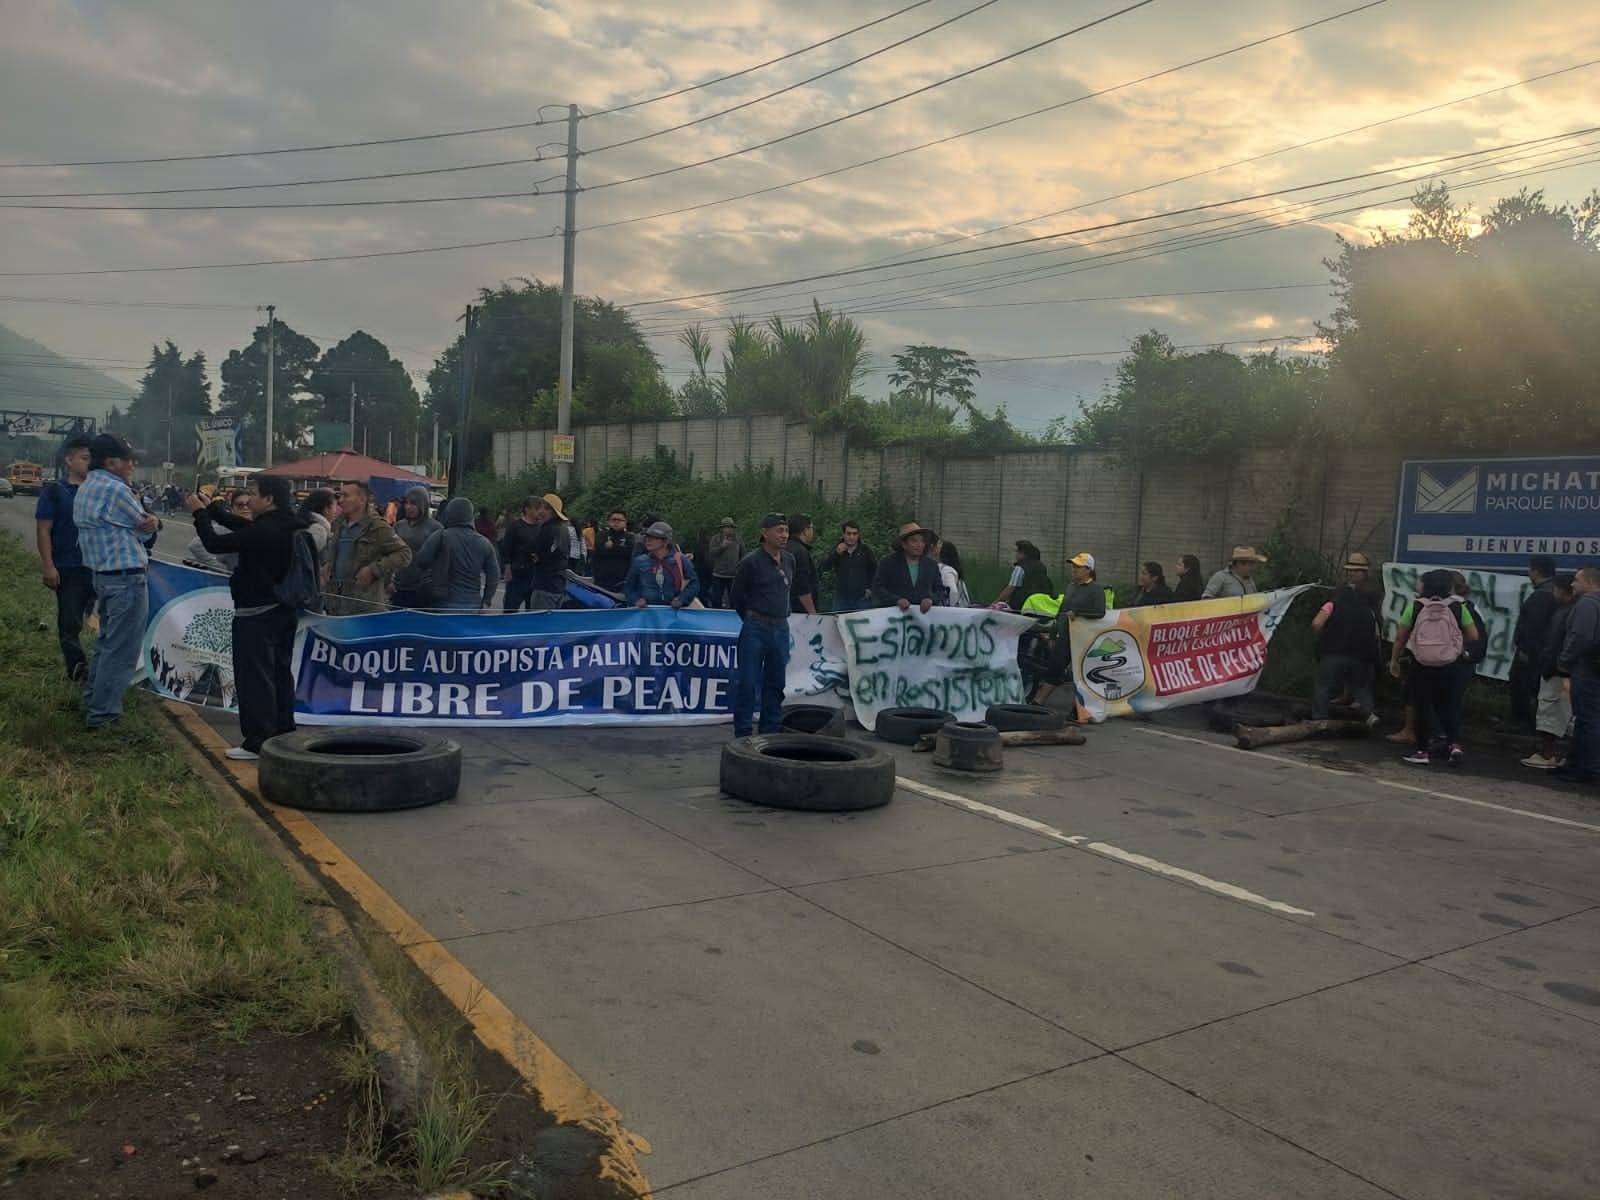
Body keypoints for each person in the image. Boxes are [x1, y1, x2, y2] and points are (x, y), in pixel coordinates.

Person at [185, 476, 308, 761]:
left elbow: (215, 543)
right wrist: (214, 509)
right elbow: (246, 528)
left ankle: (257, 741)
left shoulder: (265, 531)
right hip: (283, 612)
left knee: (254, 679)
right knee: (279, 673)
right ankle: (281, 732)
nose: (248, 500)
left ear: (269, 499)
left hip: (256, 614)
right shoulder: (289, 524)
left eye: (253, 494)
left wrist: (199, 513)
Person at [74, 434, 160, 730]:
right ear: (112, 462)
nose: (132, 464)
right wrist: (151, 522)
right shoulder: (116, 490)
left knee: (107, 645)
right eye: (128, 459)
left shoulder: (87, 487)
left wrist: (145, 524)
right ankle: (104, 717)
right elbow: (146, 527)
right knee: (121, 650)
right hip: (126, 578)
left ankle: (93, 701)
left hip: (103, 577)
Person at [1389, 568, 1480, 766]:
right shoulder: (1457, 606)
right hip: (1450, 665)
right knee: (1449, 706)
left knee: (1423, 707)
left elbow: (1400, 637)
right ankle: (1454, 746)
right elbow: (1473, 635)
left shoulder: (1415, 606)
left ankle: (1422, 752)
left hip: (1421, 665)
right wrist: (1456, 646)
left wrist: (1394, 660)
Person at [35, 434, 96, 682]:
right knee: (70, 624)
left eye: (91, 459)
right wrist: (48, 566)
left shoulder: (100, 491)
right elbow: (43, 530)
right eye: (84, 458)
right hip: (69, 568)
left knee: (104, 621)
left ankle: (104, 671)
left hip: (100, 567)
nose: (88, 463)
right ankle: (78, 670)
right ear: (69, 460)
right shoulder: (55, 492)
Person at [729, 514, 795, 738]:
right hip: (756, 627)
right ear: (764, 533)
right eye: (779, 530)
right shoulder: (750, 562)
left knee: (776, 682)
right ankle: (743, 734)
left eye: (786, 530)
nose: (784, 535)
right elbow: (736, 596)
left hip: (781, 627)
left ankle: (770, 731)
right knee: (747, 682)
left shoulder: (789, 560)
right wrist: (751, 618)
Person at [1030, 552, 1108, 707]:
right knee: (1054, 667)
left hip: (1084, 638)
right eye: (1073, 566)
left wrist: (1078, 614)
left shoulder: (1096, 589)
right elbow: (1062, 611)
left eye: (1078, 567)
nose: (1074, 570)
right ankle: (1038, 701)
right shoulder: (1071, 586)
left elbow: (1100, 612)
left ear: (1088, 570)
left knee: (1080, 674)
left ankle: (1081, 708)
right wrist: (1053, 633)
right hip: (1065, 636)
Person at [1311, 553, 1382, 721]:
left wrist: (1325, 637)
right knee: (1361, 689)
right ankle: (1368, 718)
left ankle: (1319, 721)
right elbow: (1378, 629)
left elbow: (1316, 623)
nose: (1351, 573)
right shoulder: (1372, 601)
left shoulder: (1335, 599)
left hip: (1333, 652)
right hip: (1361, 655)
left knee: (1323, 688)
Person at [323, 480, 412, 615]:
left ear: (362, 499)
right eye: (339, 496)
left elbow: (405, 554)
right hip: (337, 605)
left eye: (346, 496)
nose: (340, 500)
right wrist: (328, 565)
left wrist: (374, 570)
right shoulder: (338, 525)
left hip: (364, 607)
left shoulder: (377, 527)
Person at [1524, 573, 1576, 770]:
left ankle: (1548, 755)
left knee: (1550, 712)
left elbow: (1554, 643)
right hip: (1561, 670)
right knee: (1564, 714)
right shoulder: (1573, 610)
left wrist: (1553, 666)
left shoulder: (1565, 612)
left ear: (1563, 590)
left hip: (1555, 670)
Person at [1553, 567, 1600, 784]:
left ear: (1590, 582)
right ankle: (1577, 763)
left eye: (1576, 580)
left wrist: (1564, 660)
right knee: (1588, 718)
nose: (1572, 584)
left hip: (1586, 668)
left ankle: (1587, 768)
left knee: (1586, 719)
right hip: (1594, 667)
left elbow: (1581, 636)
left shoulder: (1588, 604)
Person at [414, 498, 501, 613]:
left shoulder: (440, 536)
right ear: (471, 516)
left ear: (449, 514)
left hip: (442, 603)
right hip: (473, 605)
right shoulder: (484, 543)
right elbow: (494, 576)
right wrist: (486, 600)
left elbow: (421, 560)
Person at [1510, 555, 1559, 731]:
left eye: (1530, 569)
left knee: (1522, 686)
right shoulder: (1552, 591)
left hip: (1532, 653)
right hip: (1542, 652)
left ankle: (1523, 724)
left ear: (1536, 571)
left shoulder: (1541, 596)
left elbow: (1534, 627)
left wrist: (1526, 651)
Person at [500, 493, 569, 611]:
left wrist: (538, 557)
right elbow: (506, 548)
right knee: (511, 608)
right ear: (527, 509)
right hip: (519, 574)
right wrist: (507, 568)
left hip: (540, 579)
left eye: (541, 507)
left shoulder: (546, 528)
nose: (539, 511)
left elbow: (544, 554)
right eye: (536, 508)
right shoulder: (516, 526)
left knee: (535, 615)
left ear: (550, 511)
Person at [624, 521, 700, 608]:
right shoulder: (639, 561)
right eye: (647, 537)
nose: (648, 540)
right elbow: (629, 587)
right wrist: (636, 600)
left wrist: (682, 599)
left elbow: (694, 584)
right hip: (646, 614)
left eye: (654, 538)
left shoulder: (681, 560)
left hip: (675, 615)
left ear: (666, 541)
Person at [872, 521, 944, 612]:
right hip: (894, 617)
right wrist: (896, 600)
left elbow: (940, 590)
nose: (919, 545)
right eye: (914, 541)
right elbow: (878, 588)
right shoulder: (887, 563)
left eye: (922, 541)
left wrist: (931, 600)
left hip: (923, 618)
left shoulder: (931, 565)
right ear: (904, 544)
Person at [390, 487, 442, 609]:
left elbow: (440, 560)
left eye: (413, 503)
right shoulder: (399, 526)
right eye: (406, 503)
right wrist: (389, 580)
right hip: (399, 586)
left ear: (422, 505)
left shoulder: (435, 528)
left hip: (422, 589)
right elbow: (390, 553)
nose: (408, 507)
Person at [187, 490, 254, 573]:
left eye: (249, 504)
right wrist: (221, 569)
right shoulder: (222, 528)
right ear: (232, 508)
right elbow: (196, 545)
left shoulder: (259, 528)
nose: (245, 507)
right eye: (240, 505)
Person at [818, 520, 877, 611]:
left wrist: (870, 588)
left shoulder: (865, 550)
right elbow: (824, 567)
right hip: (841, 598)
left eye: (854, 534)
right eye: (848, 534)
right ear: (843, 534)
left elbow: (874, 570)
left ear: (858, 535)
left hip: (862, 598)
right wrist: (836, 554)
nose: (851, 537)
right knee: (837, 623)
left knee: (863, 624)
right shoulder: (836, 548)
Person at [992, 540, 1054, 611]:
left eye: (1017, 552)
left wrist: (994, 603)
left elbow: (1010, 589)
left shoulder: (1021, 568)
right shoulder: (1042, 567)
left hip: (1021, 606)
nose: (1016, 555)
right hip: (1040, 606)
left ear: (1022, 554)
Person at [704, 517, 745, 609]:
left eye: (730, 527)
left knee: (734, 600)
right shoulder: (715, 539)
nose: (728, 529)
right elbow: (711, 553)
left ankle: (734, 619)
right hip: (718, 574)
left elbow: (743, 555)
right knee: (716, 600)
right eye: (725, 527)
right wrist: (722, 547)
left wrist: (740, 570)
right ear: (722, 528)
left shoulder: (738, 539)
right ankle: (716, 619)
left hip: (733, 575)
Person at [591, 509, 634, 593]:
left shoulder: (630, 537)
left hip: (622, 579)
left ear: (625, 523)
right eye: (614, 519)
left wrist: (612, 547)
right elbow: (600, 551)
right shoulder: (601, 535)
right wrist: (618, 548)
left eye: (620, 520)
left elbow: (628, 552)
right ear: (608, 522)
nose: (616, 522)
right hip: (602, 579)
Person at [786, 512, 820, 615]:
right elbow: (802, 587)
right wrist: (812, 613)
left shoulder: (784, 547)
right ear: (805, 530)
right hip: (800, 611)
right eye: (811, 528)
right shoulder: (801, 552)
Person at [932, 536, 971, 606]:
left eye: (938, 546)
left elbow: (952, 592)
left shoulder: (946, 570)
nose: (934, 547)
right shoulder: (950, 569)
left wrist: (949, 608)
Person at [302, 488, 336, 556]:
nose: (336, 511)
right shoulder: (318, 530)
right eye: (335, 506)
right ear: (326, 509)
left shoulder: (305, 521)